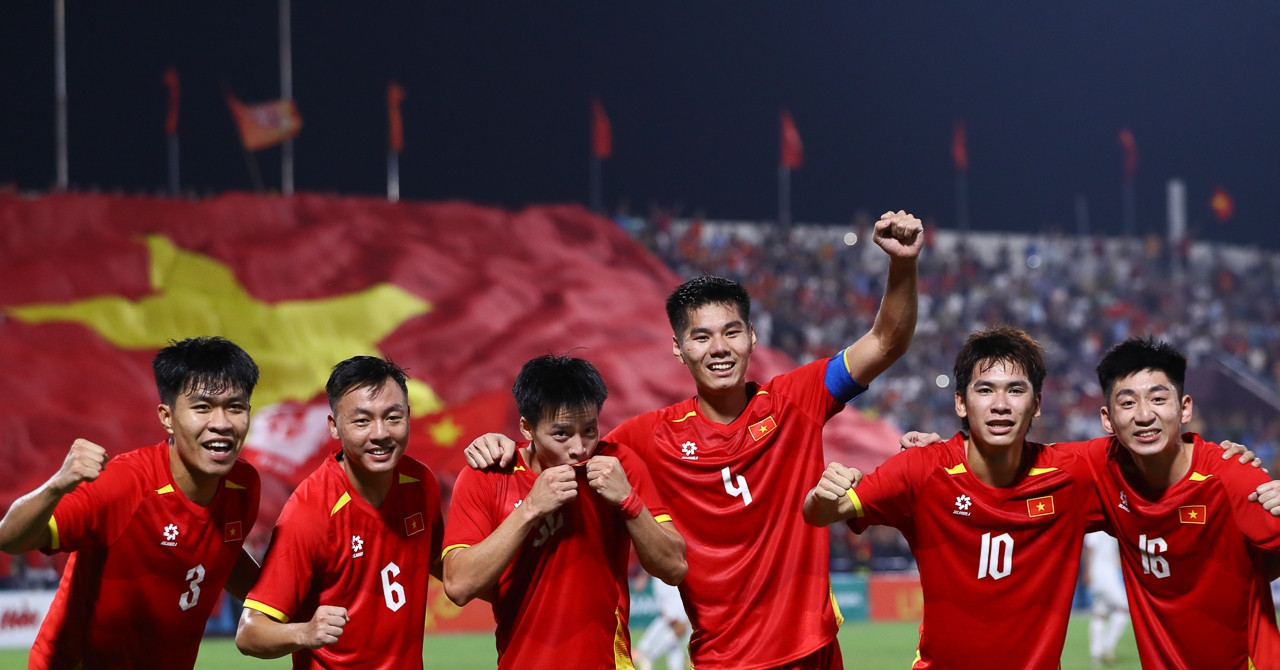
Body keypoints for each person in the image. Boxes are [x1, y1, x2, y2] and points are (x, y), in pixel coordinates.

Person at [466, 210, 922, 669]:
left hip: (813, 650)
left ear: (752, 337)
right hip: (723, 659)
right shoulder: (647, 437)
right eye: (700, 337)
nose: (719, 348)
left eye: (731, 332)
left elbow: (886, 342)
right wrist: (504, 446)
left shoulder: (797, 400)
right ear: (678, 348)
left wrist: (902, 264)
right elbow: (564, 444)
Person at [804, 326, 1105, 669]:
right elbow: (819, 513)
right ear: (961, 402)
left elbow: (1145, 457)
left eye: (1015, 390)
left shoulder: (1072, 475)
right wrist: (822, 493)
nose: (1000, 405)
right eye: (985, 390)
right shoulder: (922, 468)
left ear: (1036, 404)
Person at [0, 336, 262, 669]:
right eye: (202, 407)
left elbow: (223, 553)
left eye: (235, 407)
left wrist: (286, 603)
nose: (221, 423)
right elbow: (9, 538)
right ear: (167, 417)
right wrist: (57, 485)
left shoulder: (244, 485)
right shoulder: (125, 484)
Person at [443, 354, 686, 669]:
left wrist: (628, 500)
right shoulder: (488, 476)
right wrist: (530, 508)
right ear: (527, 428)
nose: (579, 447)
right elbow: (459, 586)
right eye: (561, 434)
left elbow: (674, 568)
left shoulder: (619, 465)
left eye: (589, 430)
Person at [1074, 337, 1280, 668]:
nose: (1144, 415)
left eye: (1158, 399)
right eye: (1127, 403)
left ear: (1184, 408)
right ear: (1107, 419)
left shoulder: (1231, 477)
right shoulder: (1101, 473)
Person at [236, 356, 444, 668]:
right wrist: (305, 632)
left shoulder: (420, 482)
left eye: (393, 417)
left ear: (408, 416)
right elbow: (249, 633)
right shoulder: (310, 511)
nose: (380, 433)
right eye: (362, 421)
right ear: (334, 426)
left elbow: (449, 570)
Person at [1081, 530, 1129, 667]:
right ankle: (1107, 647)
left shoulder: (1108, 529)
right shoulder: (1099, 529)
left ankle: (1096, 654)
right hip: (1105, 576)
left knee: (1099, 614)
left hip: (1099, 575)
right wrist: (1087, 571)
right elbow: (1089, 548)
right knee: (1124, 609)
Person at [633, 572, 692, 670]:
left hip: (671, 579)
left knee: (676, 634)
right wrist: (643, 577)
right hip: (669, 580)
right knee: (681, 627)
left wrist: (643, 577)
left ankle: (648, 654)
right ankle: (650, 655)